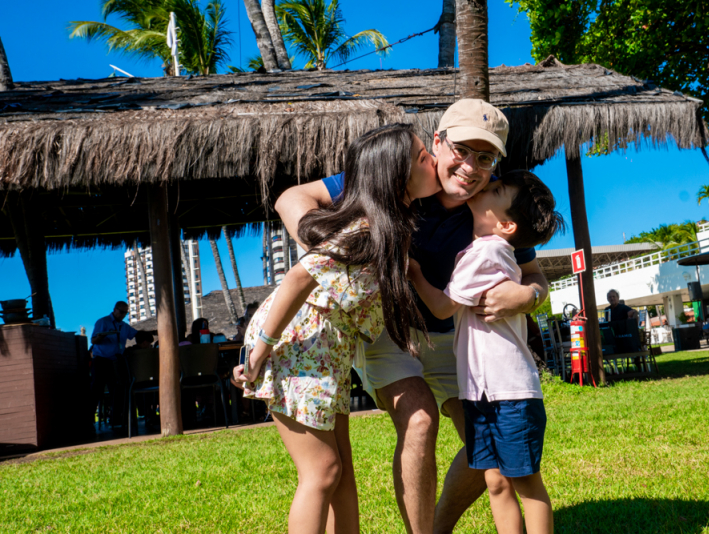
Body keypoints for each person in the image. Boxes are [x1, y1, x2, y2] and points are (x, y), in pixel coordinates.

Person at [275, 99, 549, 533]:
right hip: (391, 332)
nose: (470, 167)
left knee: (486, 443)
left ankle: (436, 527)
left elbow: (534, 276)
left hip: (457, 337)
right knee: (420, 417)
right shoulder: (398, 176)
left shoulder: (495, 203)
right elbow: (293, 196)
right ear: (437, 142)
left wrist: (527, 297)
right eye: (461, 149)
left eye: (485, 157)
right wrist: (330, 250)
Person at [232, 123, 441, 533]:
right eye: (422, 157)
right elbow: (297, 279)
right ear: (397, 177)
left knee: (341, 474)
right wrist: (258, 352)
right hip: (299, 344)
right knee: (324, 472)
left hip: (328, 353)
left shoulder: (392, 227)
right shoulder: (367, 231)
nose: (433, 160)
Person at [408, 170, 564, 534]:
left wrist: (414, 273)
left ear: (506, 225)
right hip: (484, 391)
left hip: (507, 393)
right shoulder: (487, 249)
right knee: (495, 480)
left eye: (496, 189)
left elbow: (443, 308)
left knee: (527, 484)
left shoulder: (488, 252)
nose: (486, 184)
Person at [89, 302, 153, 428]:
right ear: (114, 310)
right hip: (101, 360)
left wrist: (153, 333)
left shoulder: (124, 326)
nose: (123, 315)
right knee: (96, 390)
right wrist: (102, 337)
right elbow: (93, 340)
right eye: (121, 312)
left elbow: (138, 335)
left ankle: (116, 418)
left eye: (126, 313)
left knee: (117, 390)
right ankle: (89, 420)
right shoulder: (103, 322)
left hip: (116, 360)